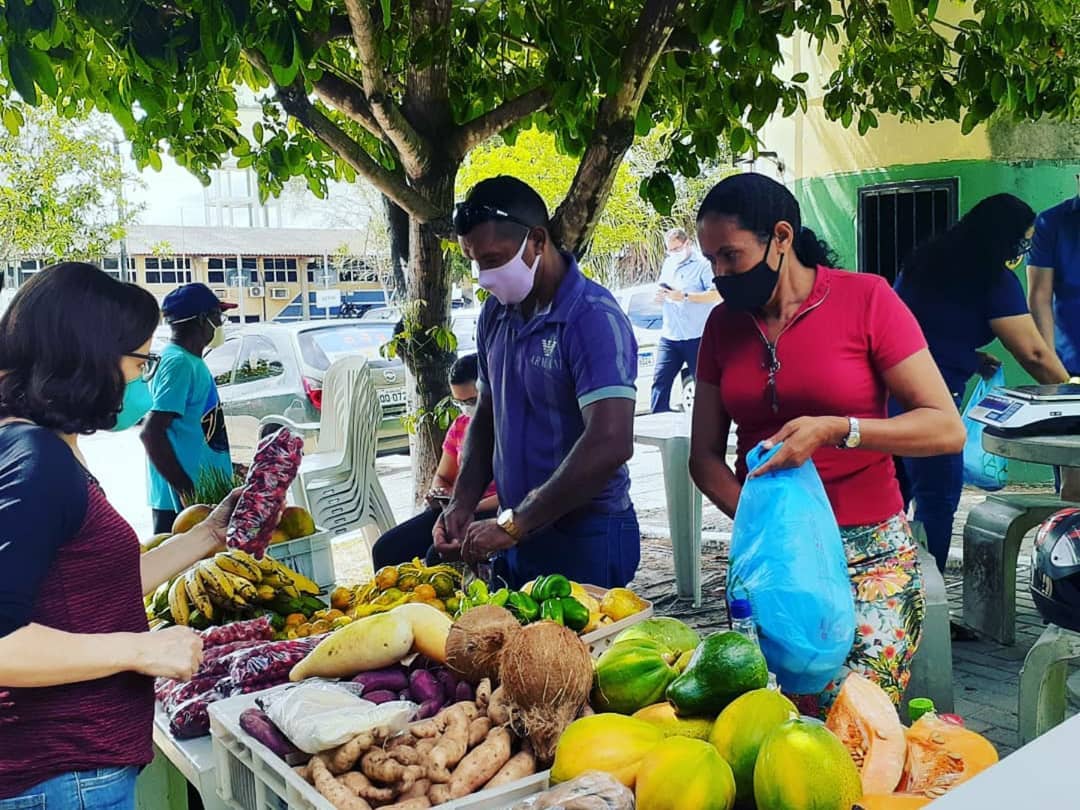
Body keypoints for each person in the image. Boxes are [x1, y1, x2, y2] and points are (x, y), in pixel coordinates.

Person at [688, 173, 965, 715]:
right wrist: (762, 521)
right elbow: (703, 457)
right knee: (779, 721)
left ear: (782, 237)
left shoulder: (867, 300)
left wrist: (840, 428)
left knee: (858, 721)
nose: (720, 274)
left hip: (870, 554)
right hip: (770, 558)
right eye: (710, 261)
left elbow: (943, 427)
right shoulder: (723, 327)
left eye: (730, 256)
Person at [0, 263, 238, 807]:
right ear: (84, 359)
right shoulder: (36, 460)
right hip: (63, 776)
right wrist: (141, 650)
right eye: (138, 362)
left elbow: (89, 583)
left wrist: (206, 536)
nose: (141, 379)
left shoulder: (44, 447)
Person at [437, 175, 641, 588]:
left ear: (537, 241)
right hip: (516, 532)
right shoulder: (496, 316)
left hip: (587, 535)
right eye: (474, 262)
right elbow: (487, 418)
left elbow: (611, 440)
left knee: (578, 652)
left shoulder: (591, 317)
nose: (483, 276)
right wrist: (462, 501)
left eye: (493, 260)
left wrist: (517, 523)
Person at [893, 194, 1070, 572]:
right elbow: (1033, 354)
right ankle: (928, 605)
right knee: (937, 499)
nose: (1022, 248)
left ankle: (890, 595)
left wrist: (970, 358)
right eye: (1021, 240)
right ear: (1001, 235)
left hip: (883, 399)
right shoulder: (993, 278)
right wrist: (1070, 392)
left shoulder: (923, 262)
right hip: (929, 406)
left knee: (891, 499)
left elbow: (913, 327)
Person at [371, 353, 499, 568]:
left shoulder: (509, 426)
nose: (467, 409)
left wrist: (468, 506)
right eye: (460, 403)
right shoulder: (461, 425)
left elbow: (516, 492)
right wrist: (440, 494)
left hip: (491, 510)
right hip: (456, 509)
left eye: (472, 401)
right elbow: (443, 476)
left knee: (435, 556)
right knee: (385, 549)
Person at [141, 283, 236, 534]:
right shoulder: (179, 363)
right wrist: (187, 491)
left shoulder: (190, 361)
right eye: (218, 316)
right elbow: (152, 433)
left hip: (201, 499)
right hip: (182, 507)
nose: (221, 323)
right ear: (203, 319)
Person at [1027, 181, 1080, 501]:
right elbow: (1039, 296)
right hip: (1070, 368)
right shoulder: (1052, 223)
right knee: (1074, 480)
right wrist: (1048, 367)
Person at [651, 227, 720, 412]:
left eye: (676, 249)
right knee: (660, 382)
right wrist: (660, 296)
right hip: (670, 335)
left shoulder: (703, 265)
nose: (673, 254)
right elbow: (663, 289)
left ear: (687, 244)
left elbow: (716, 295)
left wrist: (685, 296)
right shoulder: (668, 264)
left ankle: (710, 427)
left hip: (696, 336)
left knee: (704, 386)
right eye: (670, 250)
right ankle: (657, 425)